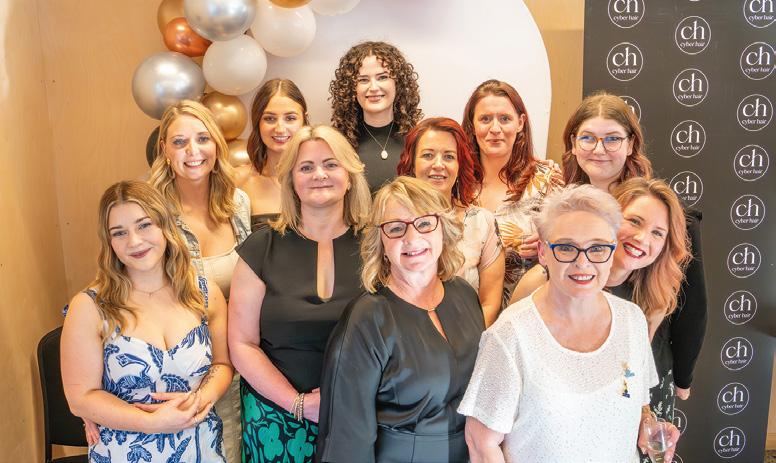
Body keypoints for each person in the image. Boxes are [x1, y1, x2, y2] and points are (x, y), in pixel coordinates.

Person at [460, 184, 680, 462]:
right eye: (566, 248)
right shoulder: (510, 335)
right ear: (543, 252)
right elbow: (481, 443)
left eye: (597, 248)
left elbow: (638, 401)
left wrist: (648, 426)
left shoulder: (632, 320)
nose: (583, 262)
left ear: (612, 250)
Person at [560, 92, 707, 429]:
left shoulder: (666, 212)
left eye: (612, 139)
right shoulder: (563, 211)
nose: (599, 149)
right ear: (573, 144)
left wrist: (683, 376)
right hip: (578, 374)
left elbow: (693, 305)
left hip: (641, 374)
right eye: (588, 138)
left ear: (631, 144)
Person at [317, 176, 485, 462]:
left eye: (425, 223)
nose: (412, 238)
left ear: (443, 229)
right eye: (396, 228)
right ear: (381, 243)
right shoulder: (367, 319)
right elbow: (347, 438)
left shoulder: (464, 295)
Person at [229, 125, 371, 462]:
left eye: (331, 164)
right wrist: (297, 403)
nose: (319, 175)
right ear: (291, 180)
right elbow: (242, 344)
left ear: (350, 176)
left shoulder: (377, 246)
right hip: (275, 417)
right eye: (306, 167)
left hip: (360, 415)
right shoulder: (261, 248)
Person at [61, 180, 232, 462]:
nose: (135, 242)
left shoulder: (204, 293)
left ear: (165, 225)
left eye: (144, 225)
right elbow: (80, 398)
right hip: (125, 451)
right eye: (119, 233)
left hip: (201, 445)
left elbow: (222, 364)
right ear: (109, 242)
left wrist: (200, 399)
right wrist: (152, 423)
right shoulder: (90, 307)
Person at [150, 99, 249, 462]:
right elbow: (121, 289)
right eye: (180, 142)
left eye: (203, 139)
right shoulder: (149, 211)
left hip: (234, 368)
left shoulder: (238, 204)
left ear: (217, 145)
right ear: (165, 150)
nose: (193, 151)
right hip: (174, 374)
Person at [461, 79, 564, 304]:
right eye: (485, 119)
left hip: (525, 312)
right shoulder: (456, 183)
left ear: (520, 123)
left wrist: (549, 243)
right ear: (472, 125)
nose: (495, 129)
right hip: (463, 314)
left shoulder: (546, 180)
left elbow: (567, 245)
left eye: (505, 119)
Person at [396, 117, 504, 326]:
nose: (439, 165)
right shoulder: (394, 223)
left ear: (459, 165)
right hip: (406, 337)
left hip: (470, 338)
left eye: (449, 156)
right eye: (428, 155)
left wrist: (466, 342)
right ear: (412, 163)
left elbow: (490, 303)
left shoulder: (482, 223)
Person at [329, 41, 422, 190]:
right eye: (363, 80)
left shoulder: (418, 140)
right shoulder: (338, 144)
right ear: (351, 88)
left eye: (382, 77)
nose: (373, 87)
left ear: (398, 83)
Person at [235, 78, 310, 230]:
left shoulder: (322, 179)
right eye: (270, 119)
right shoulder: (237, 181)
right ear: (257, 122)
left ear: (304, 120)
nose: (280, 128)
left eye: (290, 118)